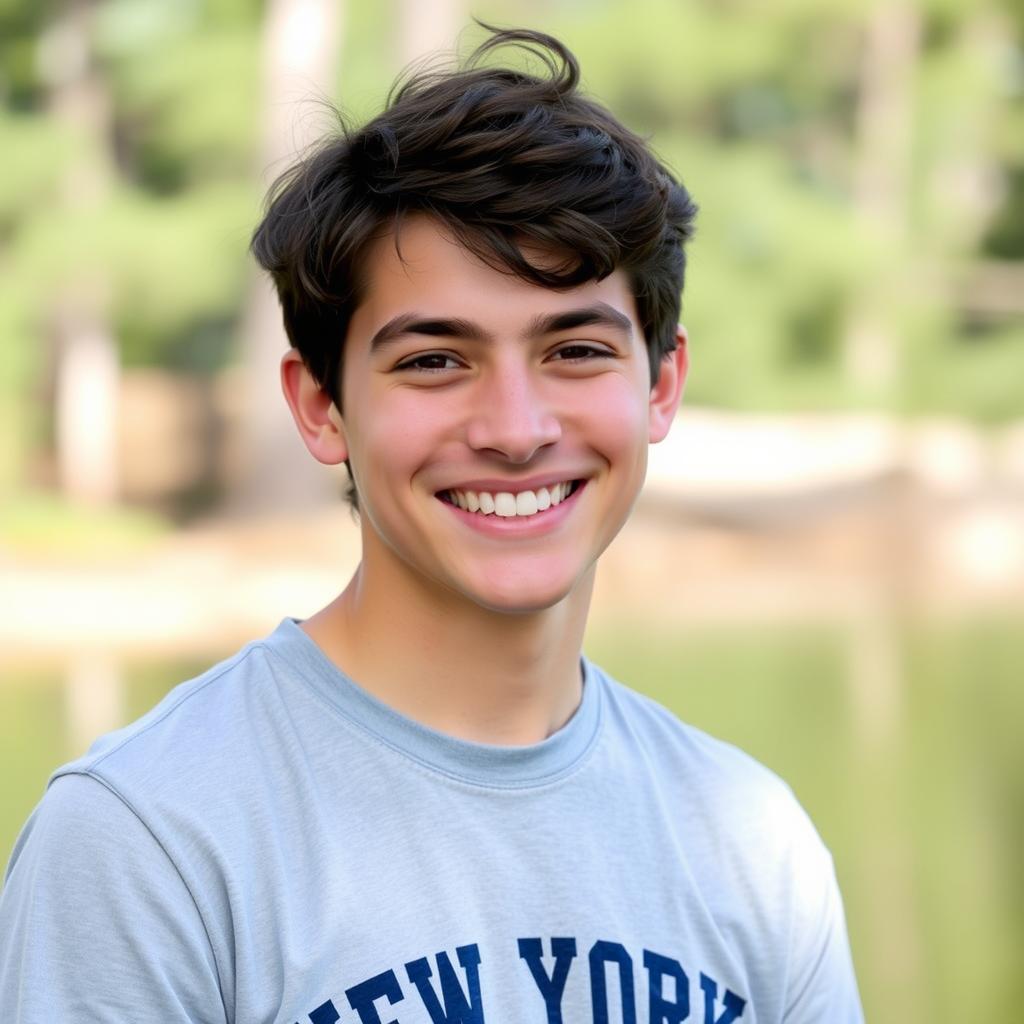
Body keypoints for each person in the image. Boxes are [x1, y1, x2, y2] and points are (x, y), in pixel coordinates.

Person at [0, 26, 863, 1024]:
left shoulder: (754, 843)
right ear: (321, 406)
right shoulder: (148, 839)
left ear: (660, 386)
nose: (514, 430)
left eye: (574, 348)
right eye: (434, 360)